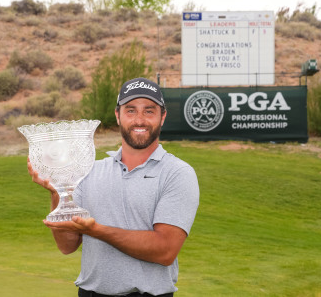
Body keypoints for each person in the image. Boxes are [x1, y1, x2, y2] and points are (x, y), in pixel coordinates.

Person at [28, 77, 199, 297]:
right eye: (130, 111)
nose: (139, 120)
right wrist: (58, 192)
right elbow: (67, 245)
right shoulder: (88, 171)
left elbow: (165, 250)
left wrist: (96, 231)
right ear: (117, 115)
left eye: (149, 111)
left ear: (162, 117)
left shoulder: (177, 173)